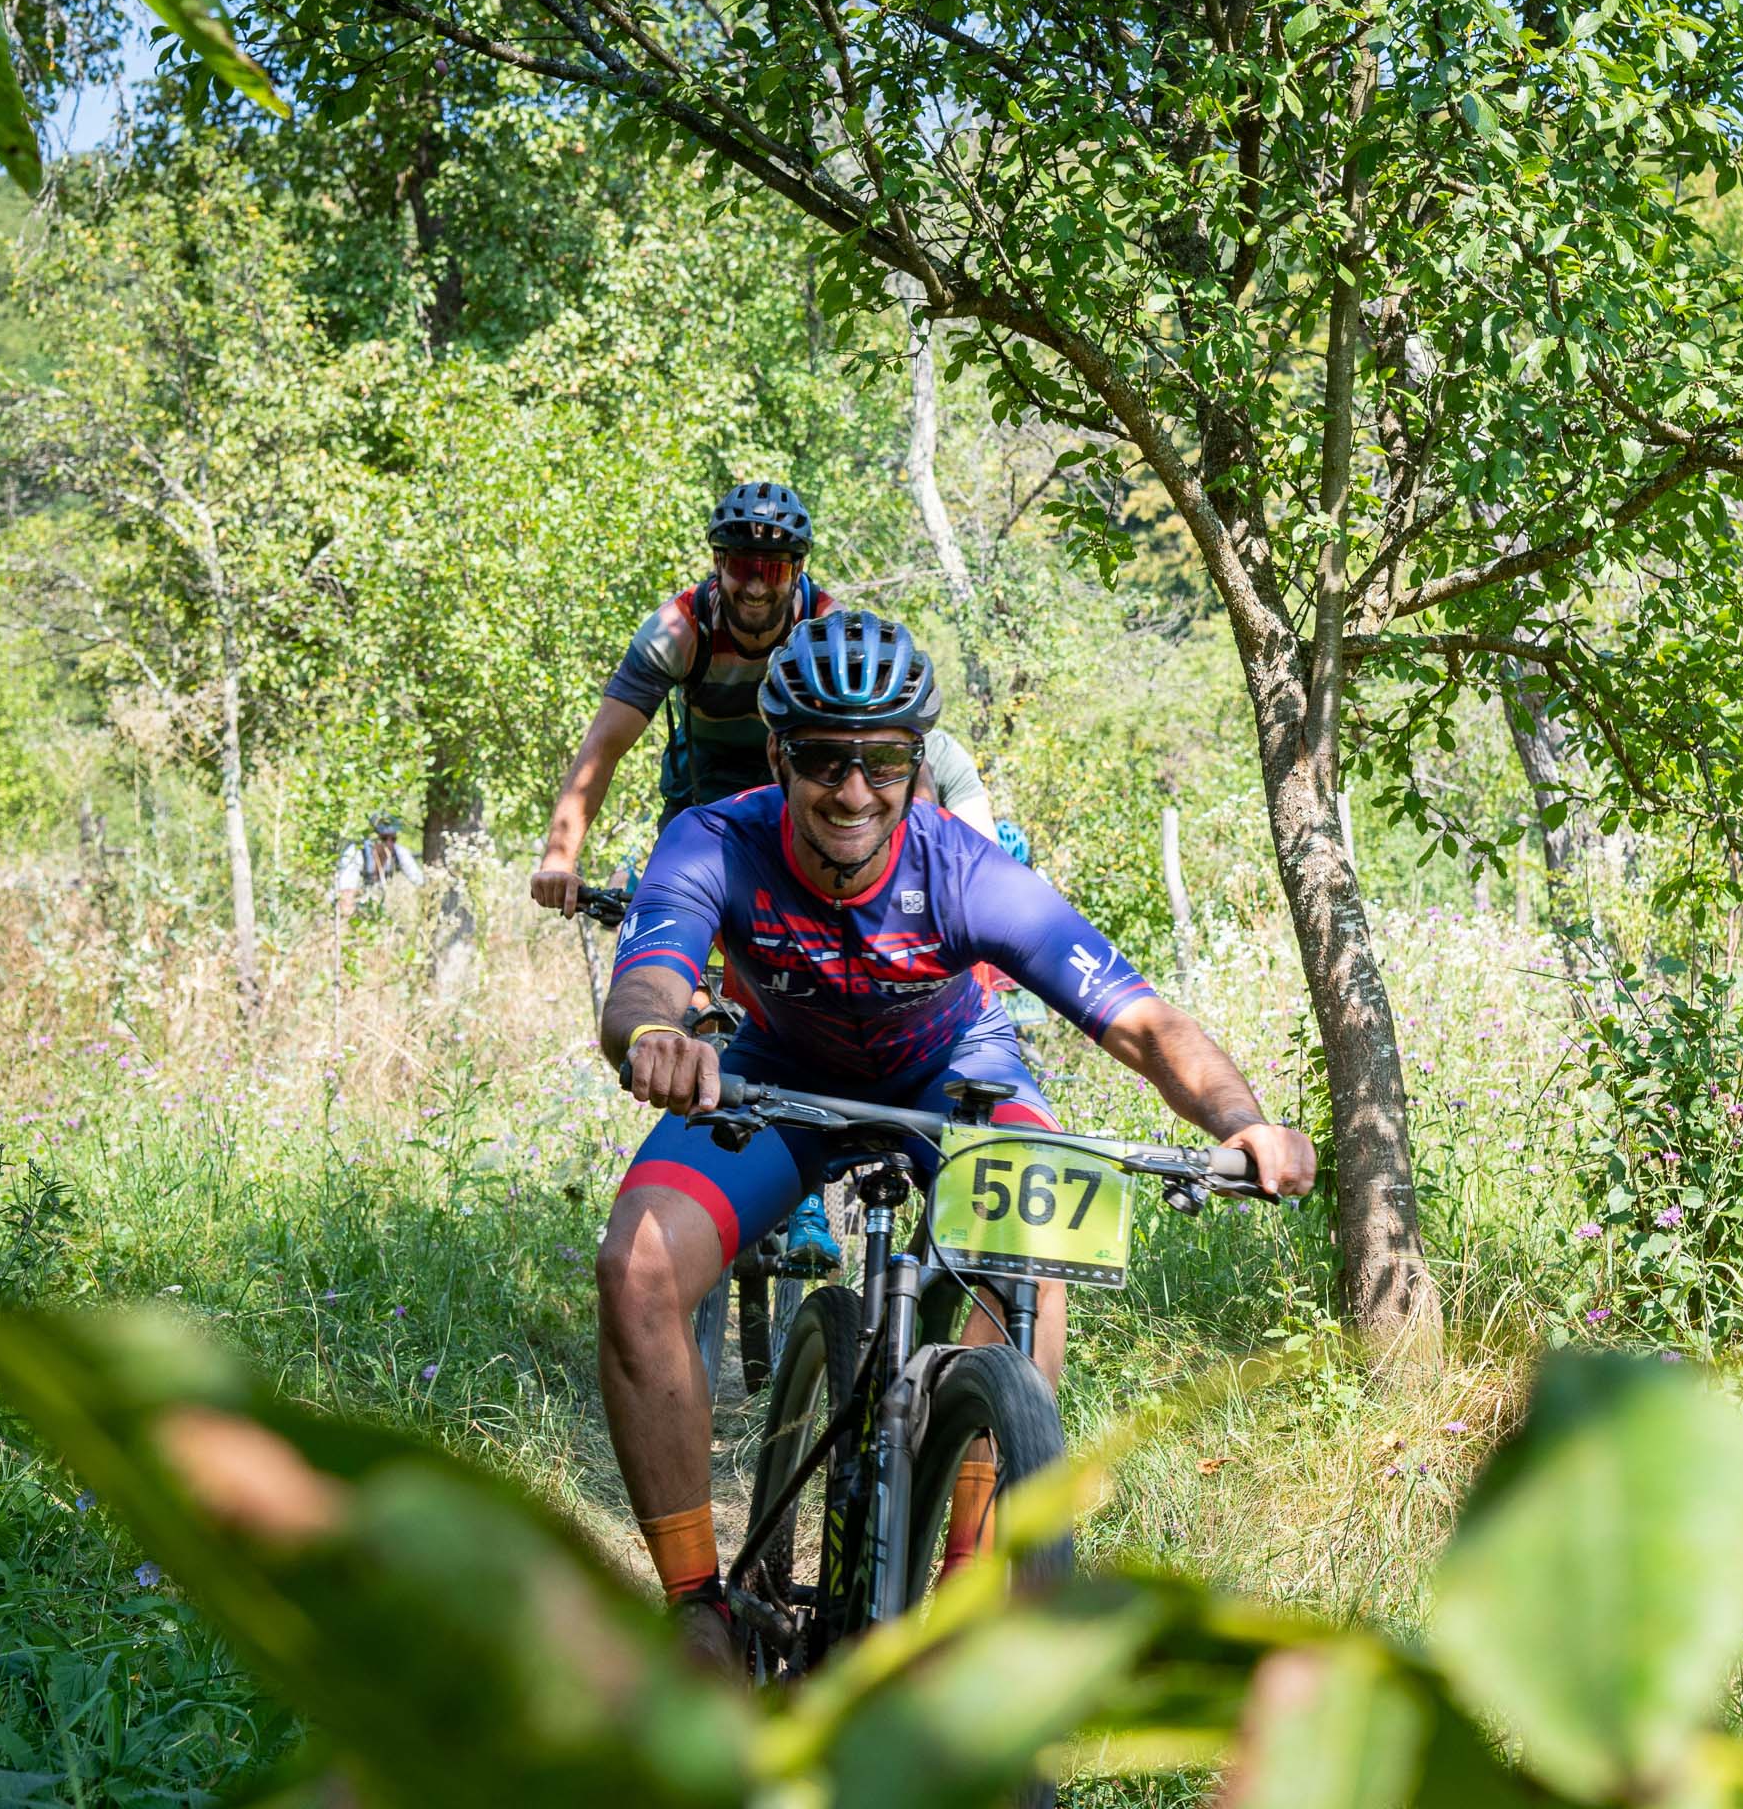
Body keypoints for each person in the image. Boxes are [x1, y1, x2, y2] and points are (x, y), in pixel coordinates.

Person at [591, 612, 1314, 1663]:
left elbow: (1143, 1023)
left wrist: (1244, 1124)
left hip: (954, 1072)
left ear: (915, 762)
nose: (854, 791)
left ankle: (966, 1587)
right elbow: (646, 982)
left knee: (1033, 1258)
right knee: (638, 1267)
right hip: (779, 1068)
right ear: (779, 755)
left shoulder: (962, 868)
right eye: (825, 759)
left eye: (883, 761)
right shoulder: (717, 839)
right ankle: (698, 1603)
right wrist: (659, 1033)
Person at [529, 479, 997, 1271]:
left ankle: (799, 1185)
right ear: (716, 565)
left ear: (798, 572)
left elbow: (896, 759)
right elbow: (602, 747)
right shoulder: (679, 630)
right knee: (690, 974)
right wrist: (560, 856)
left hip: (815, 802)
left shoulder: (825, 629)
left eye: (773, 569)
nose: (754, 584)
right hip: (710, 810)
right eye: (739, 564)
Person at [333, 812, 426, 917]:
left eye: (393, 839)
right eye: (384, 838)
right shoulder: (356, 853)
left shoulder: (399, 853)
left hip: (380, 908)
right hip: (352, 908)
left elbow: (419, 880)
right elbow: (345, 895)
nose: (389, 844)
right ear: (373, 837)